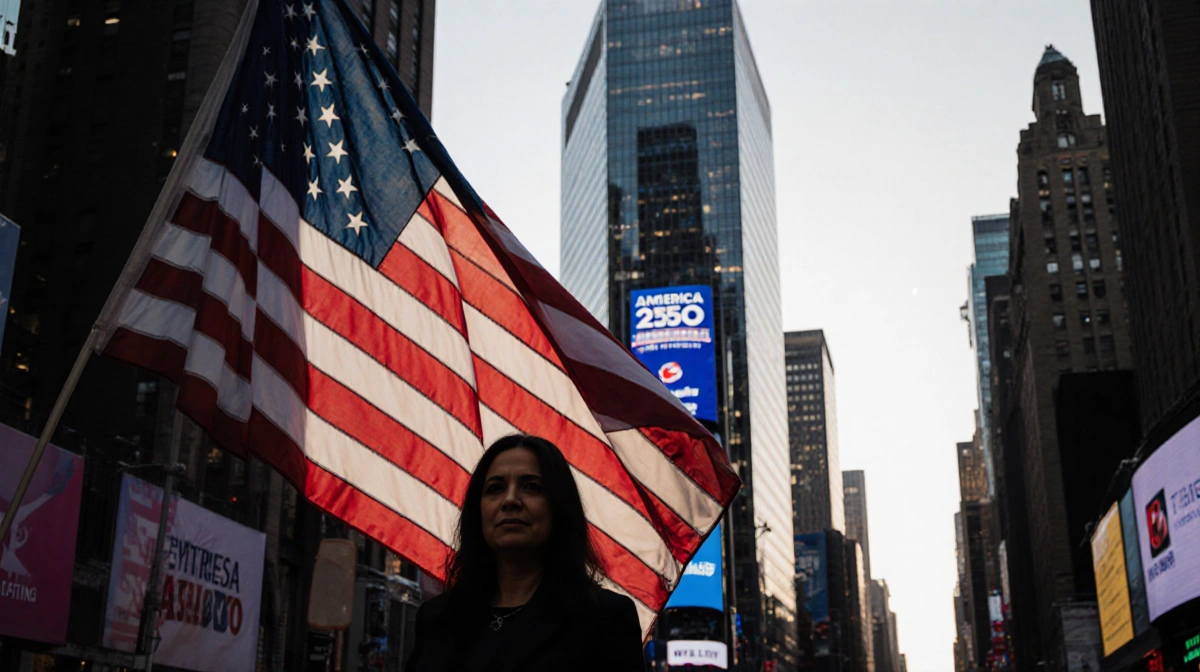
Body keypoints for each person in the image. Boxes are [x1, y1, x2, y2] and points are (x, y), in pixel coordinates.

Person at [405, 434, 647, 672]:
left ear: (559, 507)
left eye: (531, 487)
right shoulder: (437, 618)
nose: (510, 500)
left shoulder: (606, 618)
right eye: (495, 488)